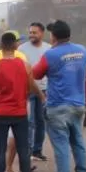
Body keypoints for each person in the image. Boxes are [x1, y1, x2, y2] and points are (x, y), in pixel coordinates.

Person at [32, 20, 86, 172]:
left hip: (58, 105)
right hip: (78, 104)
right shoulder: (83, 51)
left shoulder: (51, 54)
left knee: (61, 144)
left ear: (53, 36)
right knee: (78, 141)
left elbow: (36, 74)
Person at [0, 31, 44, 172]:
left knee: (0, 149)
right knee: (23, 149)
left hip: (0, 112)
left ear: (0, 46)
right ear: (16, 46)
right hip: (20, 113)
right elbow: (30, 86)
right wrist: (29, 96)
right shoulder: (25, 65)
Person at [19, 22, 52, 162]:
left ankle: (37, 150)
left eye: (35, 32)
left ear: (42, 34)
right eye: (30, 32)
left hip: (44, 89)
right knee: (30, 121)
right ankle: (28, 151)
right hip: (27, 89)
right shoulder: (22, 49)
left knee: (41, 121)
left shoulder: (49, 49)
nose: (31, 35)